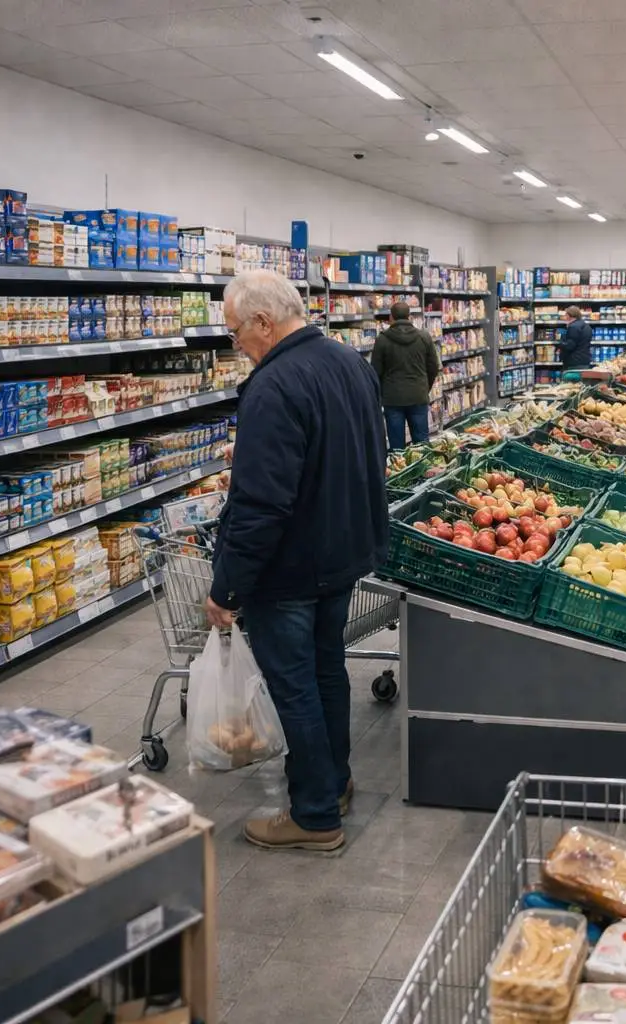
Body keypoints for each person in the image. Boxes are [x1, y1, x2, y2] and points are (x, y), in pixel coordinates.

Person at [205, 269, 388, 851]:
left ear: (263, 321)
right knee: (327, 671)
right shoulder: (349, 362)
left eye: (235, 332)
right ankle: (335, 783)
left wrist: (228, 588)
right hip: (341, 553)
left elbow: (261, 503)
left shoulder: (273, 385)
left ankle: (313, 816)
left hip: (290, 568)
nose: (236, 345)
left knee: (295, 687)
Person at [371, 301, 441, 449]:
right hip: (418, 395)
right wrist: (424, 386)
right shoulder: (424, 337)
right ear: (409, 317)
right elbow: (433, 367)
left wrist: (382, 393)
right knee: (421, 442)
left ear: (391, 317)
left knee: (396, 446)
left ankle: (400, 471)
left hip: (393, 398)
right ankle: (422, 470)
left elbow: (375, 371)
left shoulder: (382, 340)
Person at [557, 305, 593, 370]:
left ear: (569, 315)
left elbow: (570, 346)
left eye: (566, 315)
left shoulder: (573, 327)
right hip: (585, 361)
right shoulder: (587, 326)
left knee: (571, 380)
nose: (565, 317)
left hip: (574, 362)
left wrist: (559, 343)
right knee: (582, 379)